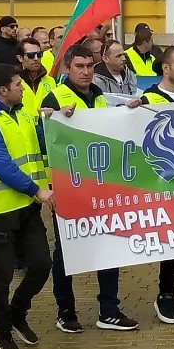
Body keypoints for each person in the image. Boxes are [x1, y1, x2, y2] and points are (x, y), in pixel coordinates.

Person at [43, 46, 138, 333]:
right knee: (66, 249)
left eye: (89, 66)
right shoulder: (55, 97)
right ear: (67, 68)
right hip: (67, 184)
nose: (85, 72)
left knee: (109, 244)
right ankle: (66, 310)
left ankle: (109, 309)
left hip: (100, 184)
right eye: (79, 66)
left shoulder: (98, 95)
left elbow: (106, 129)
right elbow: (41, 134)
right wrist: (52, 116)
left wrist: (125, 112)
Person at [0, 64, 54, 349]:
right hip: (1, 211)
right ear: (3, 90)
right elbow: (2, 165)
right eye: (18, 84)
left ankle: (18, 311)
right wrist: (37, 190)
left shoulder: (22, 115)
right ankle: (2, 329)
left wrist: (56, 121)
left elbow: (42, 143)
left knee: (41, 264)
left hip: (27, 209)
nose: (22, 88)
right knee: (2, 273)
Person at [134, 47, 174, 322]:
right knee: (168, 237)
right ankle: (164, 297)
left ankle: (170, 294)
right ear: (166, 68)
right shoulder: (148, 99)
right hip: (158, 181)